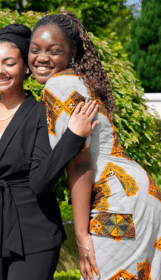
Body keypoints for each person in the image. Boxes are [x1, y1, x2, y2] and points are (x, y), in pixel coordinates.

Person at [29, 11, 161, 280]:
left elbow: (78, 161)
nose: (41, 58)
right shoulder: (79, 81)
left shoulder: (59, 84)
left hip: (116, 202)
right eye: (34, 50)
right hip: (139, 194)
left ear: (73, 52)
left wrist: (81, 236)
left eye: (53, 50)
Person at [0, 23, 99, 280]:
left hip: (32, 235)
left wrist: (73, 137)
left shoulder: (41, 112)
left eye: (9, 63)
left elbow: (42, 180)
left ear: (26, 67)